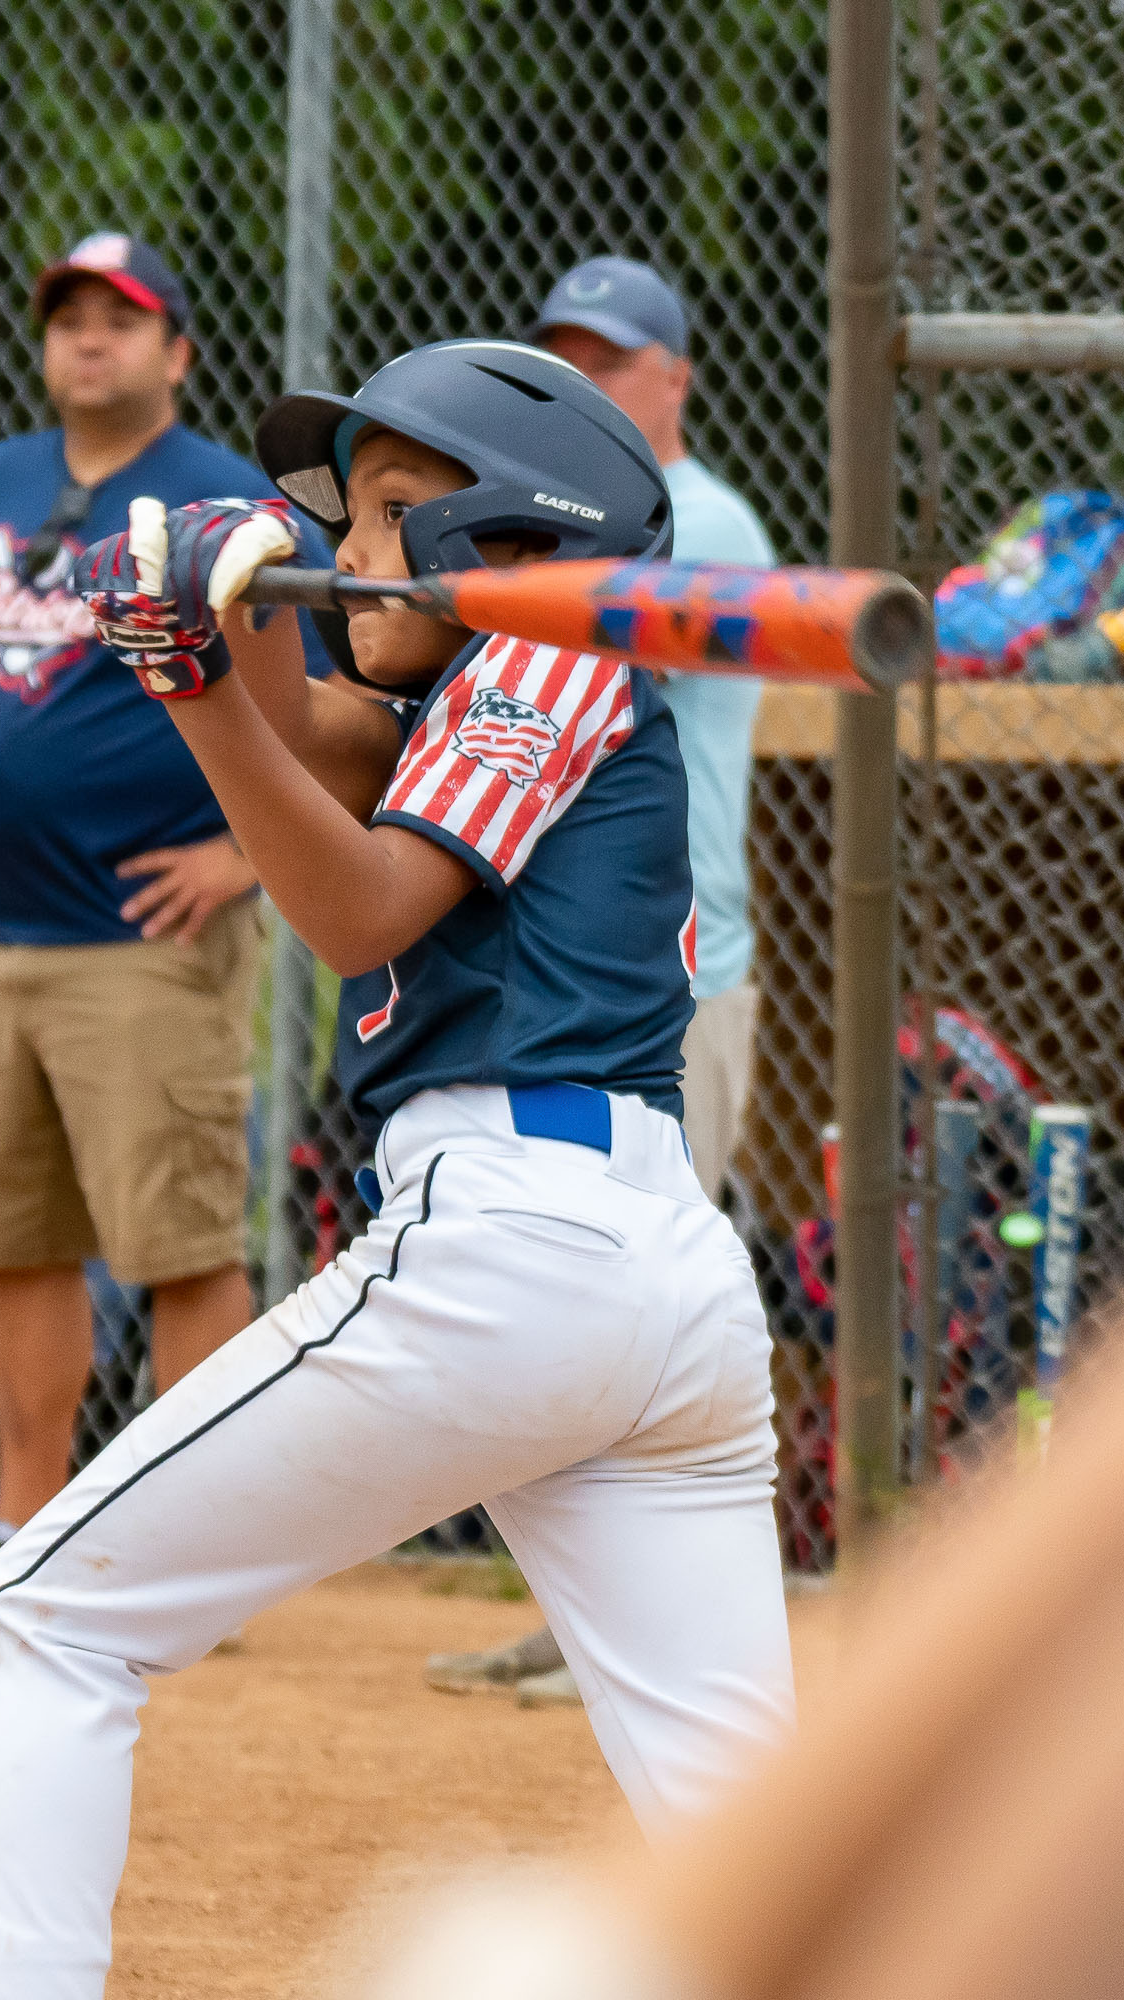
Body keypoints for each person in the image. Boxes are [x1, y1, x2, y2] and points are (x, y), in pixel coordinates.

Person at [0, 338, 793, 1996]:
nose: (347, 553)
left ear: (511, 546)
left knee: (50, 1609)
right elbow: (317, 736)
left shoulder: (549, 655)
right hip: (656, 1289)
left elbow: (361, 903)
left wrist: (189, 682)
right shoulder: (473, 687)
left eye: (382, 521)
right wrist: (209, 606)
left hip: (517, 1242)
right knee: (760, 1830)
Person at [0, 232, 331, 1628]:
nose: (88, 339)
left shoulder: (227, 501)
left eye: (123, 319)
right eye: (68, 318)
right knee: (17, 1239)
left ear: (176, 354)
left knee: (178, 1243)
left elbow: (335, 693)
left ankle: (192, 1563)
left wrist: (244, 856)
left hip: (148, 935)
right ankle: (18, 1537)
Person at [427, 256, 779, 1710]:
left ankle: (665, 1636)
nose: (590, 378)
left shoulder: (694, 523)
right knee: (588, 1302)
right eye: (562, 356)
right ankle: (576, 1620)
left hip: (677, 967)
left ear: (675, 378)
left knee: (648, 1300)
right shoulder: (572, 522)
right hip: (593, 958)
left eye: (613, 358)